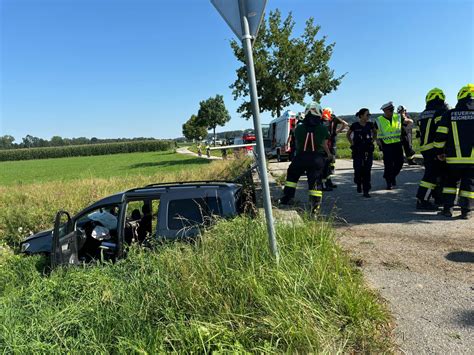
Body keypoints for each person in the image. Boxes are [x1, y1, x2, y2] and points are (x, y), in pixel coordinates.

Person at [279, 102, 332, 215]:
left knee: (292, 176)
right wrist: (329, 154)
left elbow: (297, 141)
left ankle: (288, 198)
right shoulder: (322, 128)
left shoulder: (299, 127)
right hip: (316, 158)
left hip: (301, 157)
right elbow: (324, 144)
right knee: (315, 182)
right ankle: (315, 207)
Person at [434, 83, 474, 219]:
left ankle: (447, 209)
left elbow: (440, 136)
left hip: (452, 158)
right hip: (473, 159)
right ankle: (466, 211)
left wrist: (439, 152)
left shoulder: (449, 114)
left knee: (450, 184)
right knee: (469, 185)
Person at [415, 88, 450, 210]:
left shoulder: (423, 114)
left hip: (425, 148)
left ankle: (438, 198)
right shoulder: (440, 112)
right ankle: (422, 200)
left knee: (435, 174)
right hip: (436, 148)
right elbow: (442, 131)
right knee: (432, 175)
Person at [375, 101, 407, 190]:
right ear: (385, 111)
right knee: (388, 164)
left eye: (393, 109)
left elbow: (407, 122)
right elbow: (374, 131)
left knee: (400, 163)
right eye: (390, 110)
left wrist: (409, 124)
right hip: (386, 145)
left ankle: (390, 176)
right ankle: (389, 182)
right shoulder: (379, 120)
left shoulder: (398, 117)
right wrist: (377, 140)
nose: (392, 111)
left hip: (397, 144)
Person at [346, 108, 376, 197]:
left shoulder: (370, 124)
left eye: (369, 115)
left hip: (368, 150)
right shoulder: (355, 125)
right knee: (358, 169)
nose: (368, 116)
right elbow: (348, 135)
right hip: (357, 150)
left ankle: (366, 190)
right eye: (367, 114)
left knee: (367, 170)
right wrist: (352, 143)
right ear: (361, 115)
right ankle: (358, 183)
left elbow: (375, 132)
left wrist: (373, 140)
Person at [320, 107, 348, 190]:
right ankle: (325, 184)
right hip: (330, 142)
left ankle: (328, 182)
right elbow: (345, 123)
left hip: (327, 142)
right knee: (326, 164)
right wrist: (337, 132)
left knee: (327, 164)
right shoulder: (334, 118)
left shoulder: (321, 119)